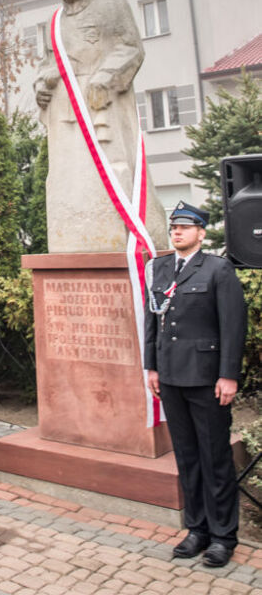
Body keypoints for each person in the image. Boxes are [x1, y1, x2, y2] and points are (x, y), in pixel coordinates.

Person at [34, 0, 168, 253]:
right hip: (65, 110)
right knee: (69, 173)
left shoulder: (112, 6)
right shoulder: (56, 21)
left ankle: (125, 235)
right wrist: (41, 84)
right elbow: (46, 63)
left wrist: (105, 77)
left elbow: (131, 48)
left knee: (112, 167)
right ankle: (74, 237)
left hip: (101, 105)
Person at [144, 201, 247, 567]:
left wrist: (228, 375)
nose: (177, 233)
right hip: (170, 377)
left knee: (214, 457)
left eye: (186, 228)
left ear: (201, 233)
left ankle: (223, 536)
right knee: (187, 457)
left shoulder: (218, 269)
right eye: (174, 227)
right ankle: (197, 528)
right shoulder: (158, 268)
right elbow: (152, 323)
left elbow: (233, 327)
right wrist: (151, 368)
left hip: (207, 379)